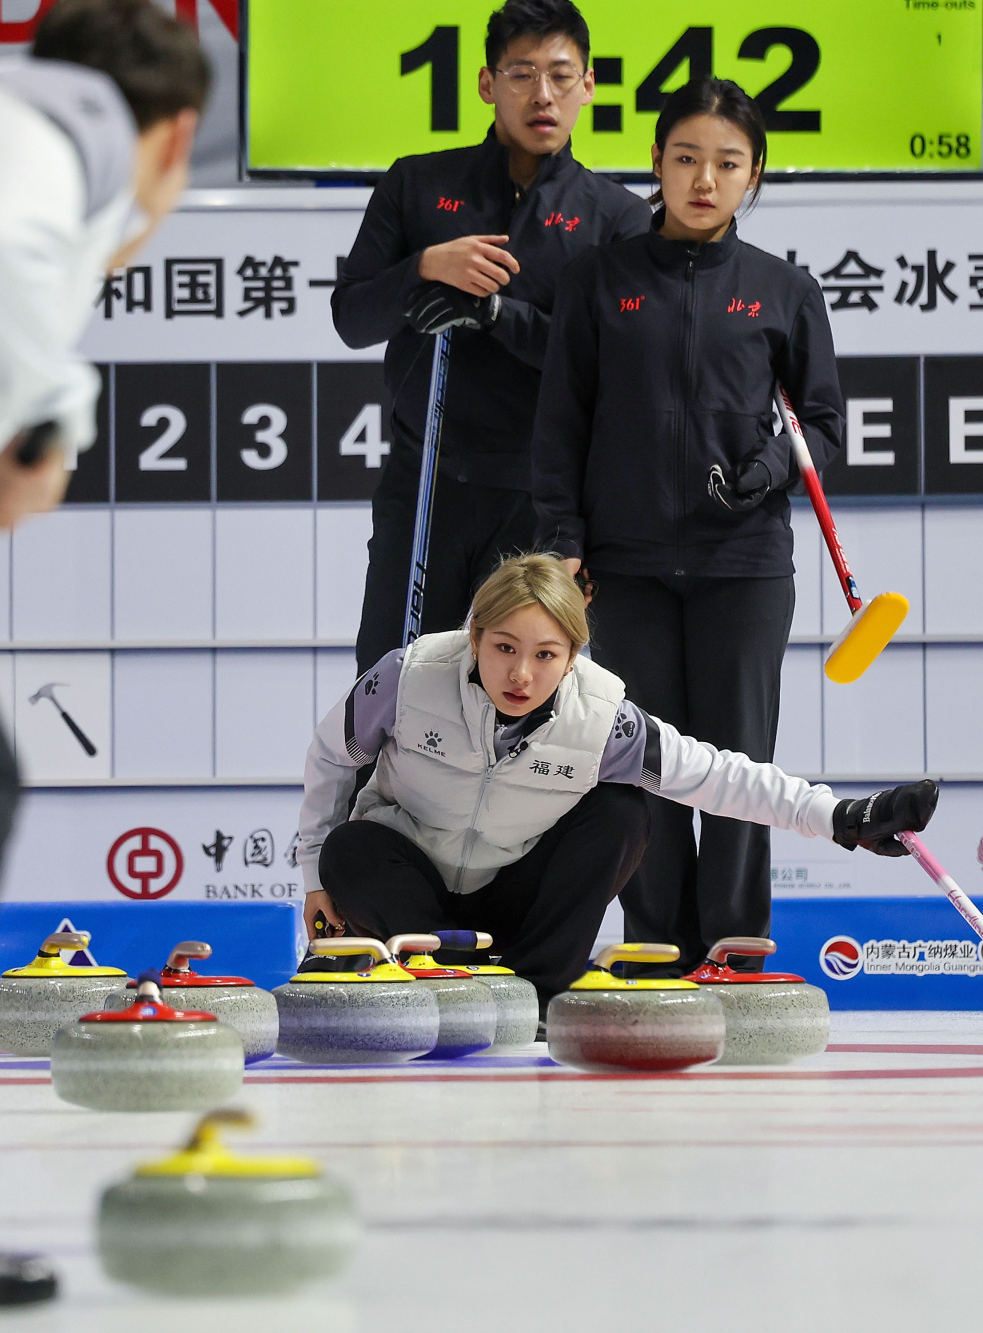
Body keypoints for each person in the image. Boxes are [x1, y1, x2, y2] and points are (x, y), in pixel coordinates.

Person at [297, 554, 937, 1010]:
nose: (521, 673)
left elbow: (715, 776)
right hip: (413, 892)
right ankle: (427, 981)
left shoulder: (603, 719)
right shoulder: (407, 678)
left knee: (625, 812)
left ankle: (539, 996)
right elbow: (331, 757)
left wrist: (841, 817)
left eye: (546, 654)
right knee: (348, 847)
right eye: (503, 648)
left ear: (573, 657)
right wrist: (315, 880)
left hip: (512, 897)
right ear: (475, 637)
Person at [531, 77, 846, 974]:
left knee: (742, 760)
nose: (704, 179)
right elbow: (561, 424)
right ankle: (657, 948)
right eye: (685, 158)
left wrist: (771, 465)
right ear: (658, 163)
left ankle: (737, 952)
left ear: (754, 177)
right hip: (621, 566)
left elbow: (825, 425)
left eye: (728, 163)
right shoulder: (599, 280)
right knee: (643, 758)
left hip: (743, 564)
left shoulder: (782, 290)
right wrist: (566, 541)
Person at [332, 0, 648, 677]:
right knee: (394, 684)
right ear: (486, 83)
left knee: (523, 698)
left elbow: (612, 369)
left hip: (542, 504)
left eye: (562, 76)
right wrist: (423, 268)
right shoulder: (418, 183)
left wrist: (498, 316)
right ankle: (376, 790)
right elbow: (352, 317)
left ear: (589, 86)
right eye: (523, 73)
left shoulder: (615, 219)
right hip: (424, 484)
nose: (543, 95)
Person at [0, 0, 209, 947]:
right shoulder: (72, 130)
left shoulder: (12, 115)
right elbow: (0, 251)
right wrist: (48, 423)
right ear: (177, 138)